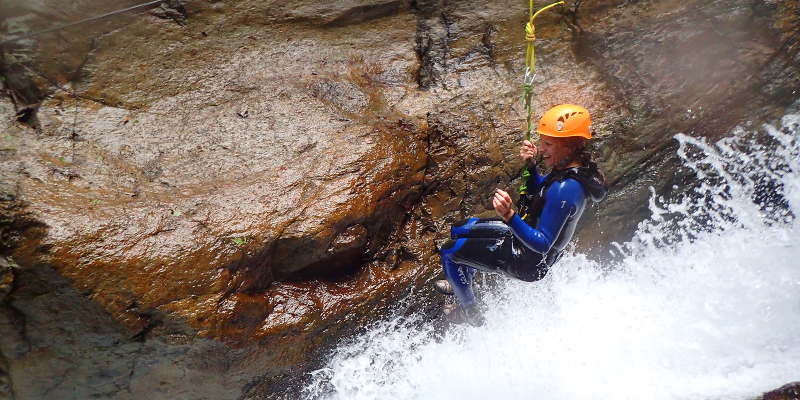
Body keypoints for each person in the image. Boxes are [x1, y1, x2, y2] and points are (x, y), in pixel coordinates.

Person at [435, 104, 608, 325]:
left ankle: (470, 313)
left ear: (569, 146)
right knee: (460, 228)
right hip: (525, 240)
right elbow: (540, 191)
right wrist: (532, 165)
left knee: (449, 250)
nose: (541, 148)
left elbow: (543, 243)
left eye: (548, 144)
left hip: (528, 261)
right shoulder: (572, 169)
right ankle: (461, 279)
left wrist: (509, 215)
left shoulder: (567, 189)